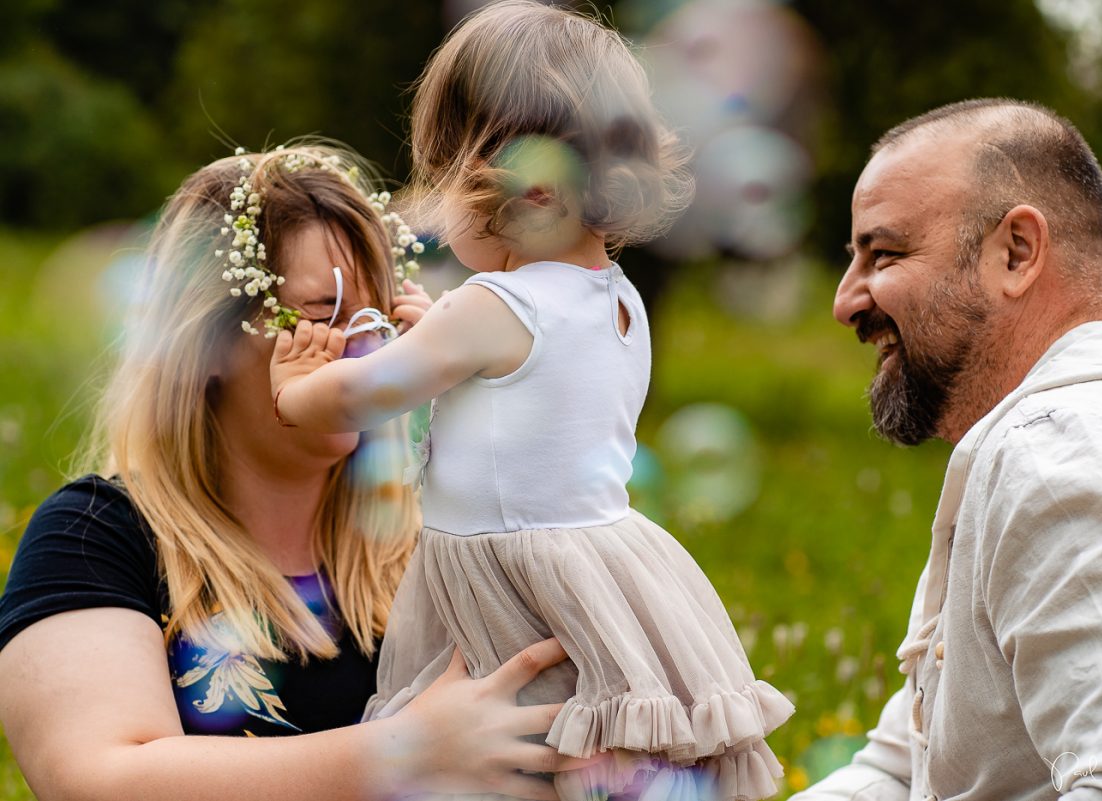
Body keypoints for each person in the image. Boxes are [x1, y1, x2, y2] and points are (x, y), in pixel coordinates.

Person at [268, 3, 794, 800]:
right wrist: (435, 331)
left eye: (448, 183)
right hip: (602, 574)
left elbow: (362, 394)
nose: (442, 212)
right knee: (586, 754)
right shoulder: (616, 298)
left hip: (507, 586)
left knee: (509, 758)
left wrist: (294, 388)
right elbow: (520, 379)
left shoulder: (492, 308)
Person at [0, 142, 597, 801]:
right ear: (206, 345)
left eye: (381, 319)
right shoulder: (94, 536)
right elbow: (94, 778)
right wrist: (399, 753)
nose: (366, 351)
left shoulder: (442, 536)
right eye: (322, 316)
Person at [794, 99, 1102, 800]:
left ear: (1015, 252)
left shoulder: (1061, 453)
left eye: (883, 252)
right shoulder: (1078, 431)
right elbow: (905, 769)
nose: (845, 301)